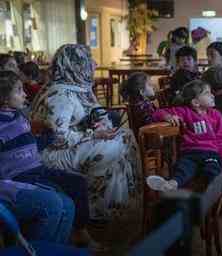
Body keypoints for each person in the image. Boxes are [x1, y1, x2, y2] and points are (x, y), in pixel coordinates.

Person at [30, 44, 143, 252]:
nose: (94, 63)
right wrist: (93, 134)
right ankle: (99, 213)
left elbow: (91, 117)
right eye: (87, 59)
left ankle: (111, 210)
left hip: (69, 144)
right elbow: (57, 137)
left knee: (124, 137)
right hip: (51, 152)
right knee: (110, 148)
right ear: (75, 65)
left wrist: (98, 125)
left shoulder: (78, 88)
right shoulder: (61, 94)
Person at [0, 70, 75, 243]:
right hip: (10, 184)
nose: (25, 94)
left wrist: (48, 139)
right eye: (19, 90)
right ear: (4, 98)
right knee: (54, 204)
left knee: (69, 205)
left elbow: (27, 147)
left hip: (28, 175)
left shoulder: (18, 117)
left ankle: (53, 250)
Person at [152, 80, 222, 190]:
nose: (212, 95)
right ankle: (171, 184)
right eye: (207, 93)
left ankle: (210, 194)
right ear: (196, 102)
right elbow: (157, 113)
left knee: (213, 169)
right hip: (190, 153)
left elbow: (221, 140)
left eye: (211, 92)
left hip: (211, 154)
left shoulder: (216, 115)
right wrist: (168, 117)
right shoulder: (185, 111)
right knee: (183, 169)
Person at [120, 71, 156, 138]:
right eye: (150, 85)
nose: (153, 87)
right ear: (141, 91)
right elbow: (151, 124)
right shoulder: (143, 106)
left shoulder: (136, 103)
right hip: (150, 140)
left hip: (142, 137)